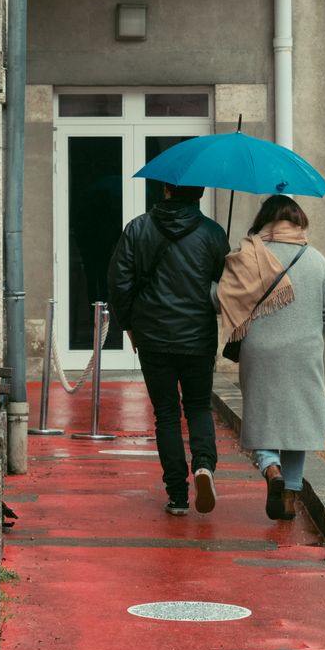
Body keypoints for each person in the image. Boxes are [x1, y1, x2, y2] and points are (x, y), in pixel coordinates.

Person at [107, 182, 230, 516]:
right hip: (197, 337)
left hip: (154, 337)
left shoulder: (138, 228)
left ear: (165, 190)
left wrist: (130, 325)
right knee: (198, 407)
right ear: (201, 193)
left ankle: (177, 494)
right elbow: (226, 284)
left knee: (166, 414)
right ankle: (204, 466)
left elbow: (119, 282)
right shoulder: (213, 233)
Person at [217, 194, 325, 521]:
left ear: (265, 220)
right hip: (303, 351)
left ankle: (271, 467)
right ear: (298, 221)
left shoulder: (247, 255)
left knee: (262, 413)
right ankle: (290, 496)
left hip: (259, 350)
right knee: (297, 419)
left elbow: (221, 300)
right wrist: (313, 335)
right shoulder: (314, 259)